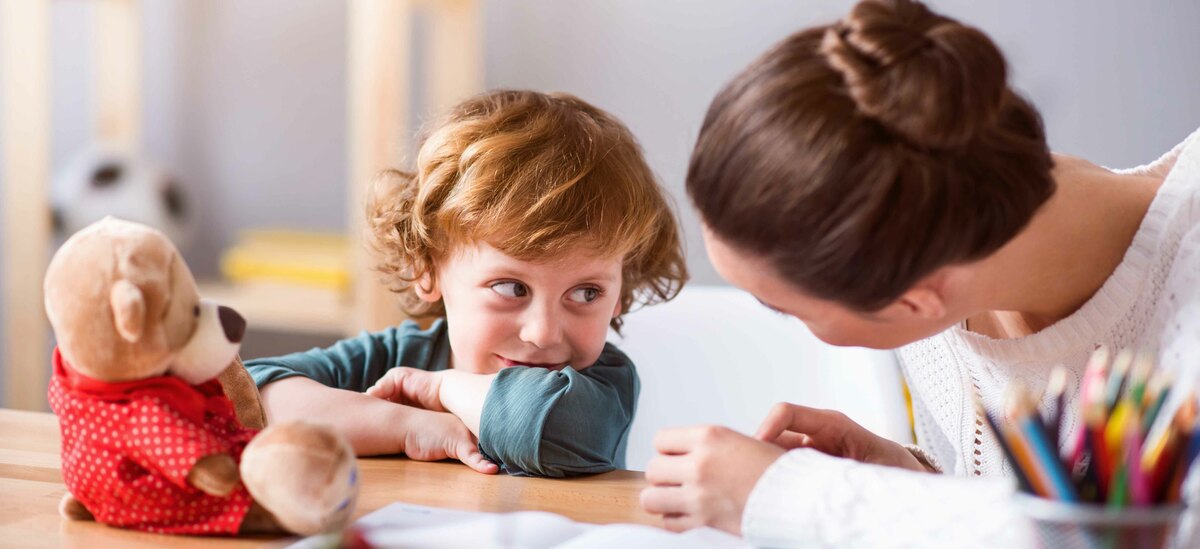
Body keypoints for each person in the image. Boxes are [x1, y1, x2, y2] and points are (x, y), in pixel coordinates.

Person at [640, 0, 1200, 544]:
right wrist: (904, 480)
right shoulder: (931, 247)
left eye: (784, 308)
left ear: (913, 300)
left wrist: (793, 497)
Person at [245, 90, 687, 478]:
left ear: (619, 291)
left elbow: (551, 429)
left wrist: (442, 389)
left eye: (586, 293)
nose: (543, 333)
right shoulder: (394, 359)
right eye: (511, 288)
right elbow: (247, 397)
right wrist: (407, 426)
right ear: (427, 269)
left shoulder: (604, 382)